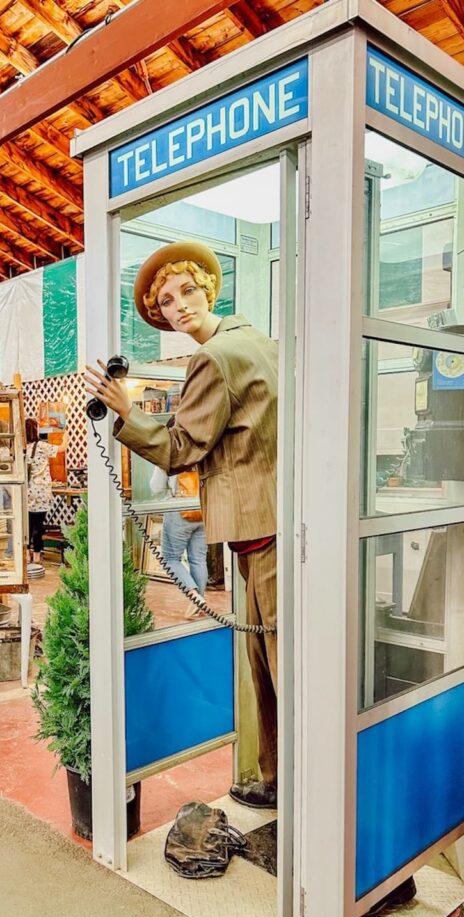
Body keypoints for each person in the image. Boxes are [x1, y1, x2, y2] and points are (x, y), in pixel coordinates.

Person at [85, 240, 278, 810]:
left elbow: (180, 448)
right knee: (267, 665)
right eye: (165, 303)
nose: (178, 307)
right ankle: (278, 781)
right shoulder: (257, 342)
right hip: (268, 527)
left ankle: (299, 799)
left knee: (278, 673)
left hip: (263, 532)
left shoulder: (213, 358)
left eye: (185, 292)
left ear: (208, 290)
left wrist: (125, 408)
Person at [149, 463, 208, 620]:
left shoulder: (169, 454)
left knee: (170, 559)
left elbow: (155, 486)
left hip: (179, 510)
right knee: (199, 559)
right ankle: (198, 605)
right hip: (201, 508)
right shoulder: (201, 449)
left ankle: (194, 596)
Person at [25, 417, 66, 578]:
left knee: (28, 525)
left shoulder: (23, 448)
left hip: (27, 491)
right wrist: (66, 432)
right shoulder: (41, 446)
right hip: (41, 491)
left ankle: (27, 556)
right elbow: (62, 448)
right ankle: (36, 557)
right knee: (38, 525)